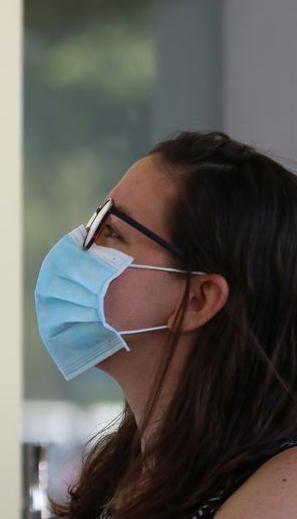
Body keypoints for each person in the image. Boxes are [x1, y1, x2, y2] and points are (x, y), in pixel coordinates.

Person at [34, 131, 297, 518]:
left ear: (197, 300)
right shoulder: (129, 473)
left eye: (113, 232)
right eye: (96, 219)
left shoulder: (280, 498)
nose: (80, 245)